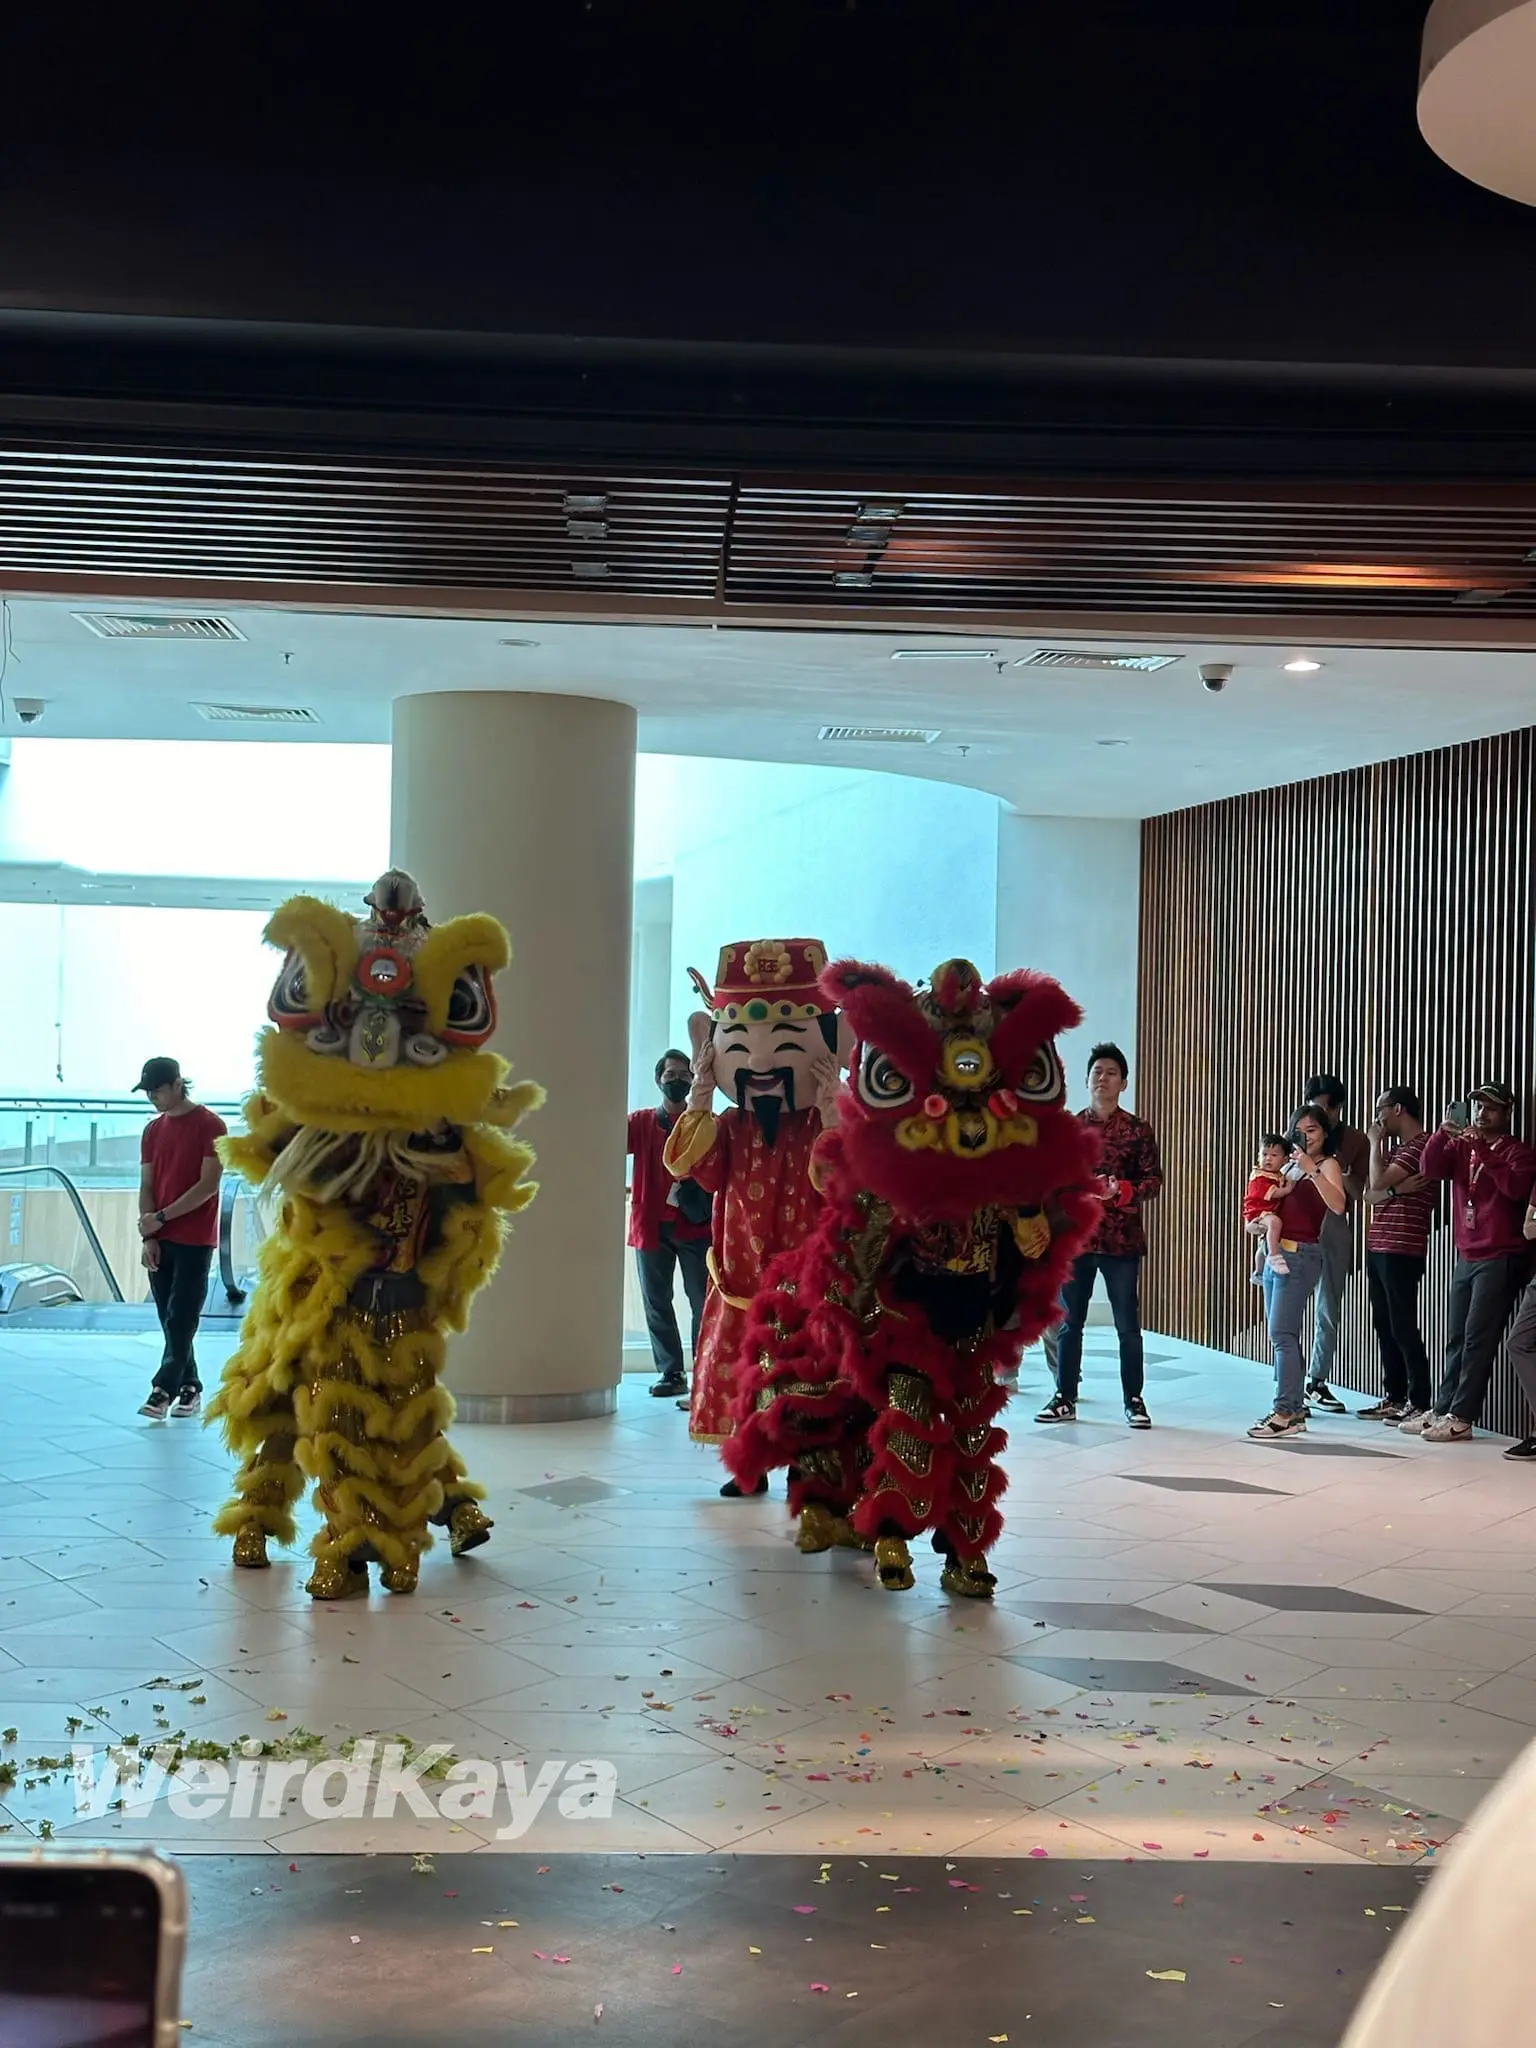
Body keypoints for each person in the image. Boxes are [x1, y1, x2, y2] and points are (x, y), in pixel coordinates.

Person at [207, 871, 542, 1598]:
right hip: (319, 1298)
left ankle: (421, 1520)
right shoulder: (309, 1135)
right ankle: (314, 1529)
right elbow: (269, 1156)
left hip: (402, 1299)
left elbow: (473, 1216)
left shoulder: (450, 1144)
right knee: (301, 1400)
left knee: (404, 1415)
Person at [724, 955, 1100, 1597]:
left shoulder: (1013, 1186)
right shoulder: (890, 1178)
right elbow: (857, 1247)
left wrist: (1028, 1224)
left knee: (974, 1436)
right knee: (910, 1421)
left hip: (974, 1323)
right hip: (906, 1324)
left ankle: (965, 1555)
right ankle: (891, 1534)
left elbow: (1031, 1253)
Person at [662, 938, 846, 1496]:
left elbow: (841, 1182)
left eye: (786, 1043)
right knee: (743, 1375)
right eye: (741, 1046)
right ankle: (750, 1465)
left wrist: (832, 1107)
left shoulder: (819, 1125)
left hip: (806, 1283)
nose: (761, 1063)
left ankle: (806, 1465)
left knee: (806, 1375)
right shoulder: (732, 1126)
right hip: (740, 1278)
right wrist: (700, 1096)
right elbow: (690, 1165)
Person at [1036, 1041, 1162, 1429]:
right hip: (1078, 1238)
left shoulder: (1138, 1130)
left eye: (1111, 1073)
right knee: (1070, 1322)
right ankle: (1064, 1397)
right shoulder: (1072, 1129)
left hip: (1122, 1239)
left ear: (1124, 1082)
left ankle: (1134, 1399)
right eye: (1096, 1072)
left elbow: (1154, 1182)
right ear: (1087, 1079)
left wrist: (1120, 1190)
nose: (1102, 1078)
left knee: (1127, 1324)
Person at [1401, 1082, 1536, 1443]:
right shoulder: (1462, 1146)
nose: (1481, 1113)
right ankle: (1443, 1408)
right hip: (1466, 1253)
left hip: (1501, 1256)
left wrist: (1482, 1150)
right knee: (1457, 1337)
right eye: (1478, 1106)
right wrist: (1441, 1135)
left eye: (1490, 1107)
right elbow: (1430, 1168)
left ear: (1507, 1112)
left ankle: (1462, 1417)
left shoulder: (1518, 1151)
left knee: (1478, 1339)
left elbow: (1516, 1189)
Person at [135, 1058, 228, 1421]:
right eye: (148, 1092)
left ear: (178, 1084)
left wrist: (162, 1217)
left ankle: (162, 1390)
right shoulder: (152, 1131)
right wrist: (150, 1233)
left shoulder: (211, 1125)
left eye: (157, 1091)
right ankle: (191, 1386)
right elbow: (147, 1184)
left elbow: (208, 1186)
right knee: (169, 1319)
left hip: (195, 1237)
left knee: (181, 1317)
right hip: (160, 1236)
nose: (152, 1098)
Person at [1247, 1105, 1347, 1438]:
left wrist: (1311, 1169)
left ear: (1325, 1133)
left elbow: (1338, 1205)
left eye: (1312, 1130)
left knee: (1282, 1334)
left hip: (1301, 1254)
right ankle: (1293, 1407)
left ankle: (1286, 1412)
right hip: (1275, 1252)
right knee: (1280, 1334)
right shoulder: (1286, 1164)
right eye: (1298, 1131)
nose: (1305, 1136)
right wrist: (1258, 1225)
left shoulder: (1326, 1164)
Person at [627, 1050, 712, 1397]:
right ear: (658, 1079)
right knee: (656, 1300)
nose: (677, 1080)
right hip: (651, 1226)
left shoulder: (704, 1123)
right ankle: (671, 1372)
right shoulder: (641, 1122)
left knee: (701, 1300)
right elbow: (604, 1139)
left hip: (695, 1226)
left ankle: (705, 1373)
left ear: (693, 1080)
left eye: (684, 1075)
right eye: (670, 1074)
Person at [1359, 1086, 1435, 1424]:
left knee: (1403, 1324)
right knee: (1384, 1323)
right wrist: (1395, 1189)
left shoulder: (1422, 1145)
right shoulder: (1396, 1151)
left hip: (1402, 1247)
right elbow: (1369, 1195)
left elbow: (1376, 1184)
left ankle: (1419, 1400)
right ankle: (1395, 1395)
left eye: (1381, 1109)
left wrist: (1374, 1143)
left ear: (1398, 1109)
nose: (1378, 1118)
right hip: (1378, 1245)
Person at [1301, 1072, 1371, 1414]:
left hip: (1333, 1226)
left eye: (1326, 1109)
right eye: (1312, 1106)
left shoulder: (1355, 1139)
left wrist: (1333, 1172)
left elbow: (1358, 1191)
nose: (1318, 1114)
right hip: (1297, 1223)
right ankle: (1289, 1382)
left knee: (1328, 1306)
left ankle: (1316, 1380)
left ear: (1339, 1108)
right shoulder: (1298, 1132)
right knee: (1286, 1306)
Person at [1244, 1133, 1292, 1281]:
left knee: (1263, 1243)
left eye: (1274, 1155)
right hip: (1259, 1210)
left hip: (1268, 1210)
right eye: (1264, 1154)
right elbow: (1271, 1193)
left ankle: (1258, 1272)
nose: (1268, 1159)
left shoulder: (1277, 1174)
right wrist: (1287, 1190)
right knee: (1275, 1223)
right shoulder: (1260, 1176)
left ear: (1284, 1159)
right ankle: (1274, 1255)